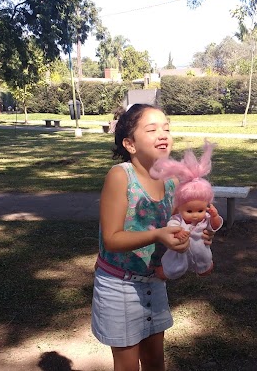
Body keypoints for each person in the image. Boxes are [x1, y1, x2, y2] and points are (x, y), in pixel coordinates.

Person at [91, 103, 215, 371]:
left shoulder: (172, 183)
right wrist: (159, 234)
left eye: (166, 128)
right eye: (152, 129)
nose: (163, 134)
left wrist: (194, 236)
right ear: (130, 144)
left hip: (154, 281)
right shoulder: (120, 176)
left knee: (155, 363)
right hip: (119, 285)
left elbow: (176, 224)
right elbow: (112, 239)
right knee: (127, 367)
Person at [149, 139, 223, 280]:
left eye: (200, 210)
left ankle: (204, 267)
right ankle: (165, 271)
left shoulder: (205, 218)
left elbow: (215, 226)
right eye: (189, 211)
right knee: (175, 266)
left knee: (204, 258)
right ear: (179, 207)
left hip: (201, 249)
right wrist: (179, 232)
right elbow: (172, 225)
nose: (195, 215)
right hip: (179, 253)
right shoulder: (178, 219)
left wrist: (214, 216)